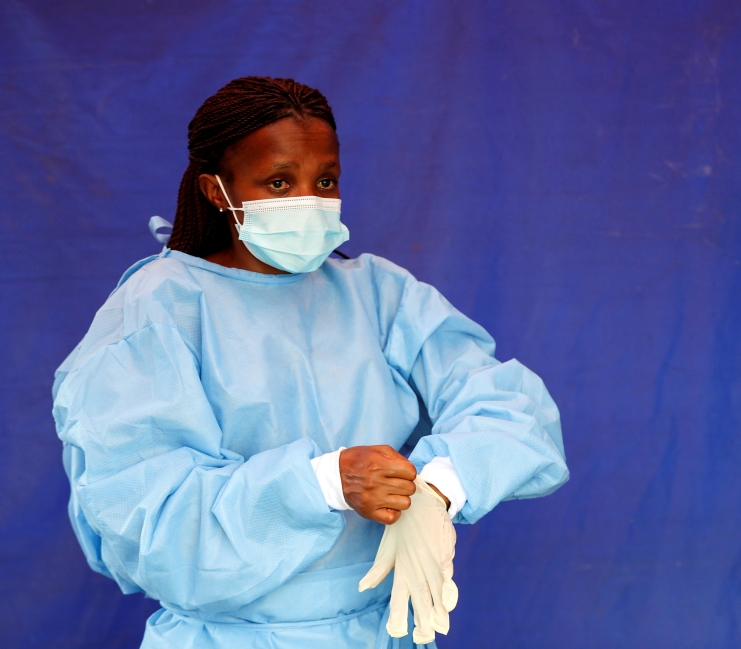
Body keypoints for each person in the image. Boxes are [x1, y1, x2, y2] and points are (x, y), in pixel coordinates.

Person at [52, 76, 569, 649]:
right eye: (278, 182)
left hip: (384, 631)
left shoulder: (377, 293)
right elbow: (145, 523)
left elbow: (514, 412)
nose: (308, 199)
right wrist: (323, 482)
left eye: (325, 181)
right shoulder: (160, 308)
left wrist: (439, 484)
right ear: (217, 190)